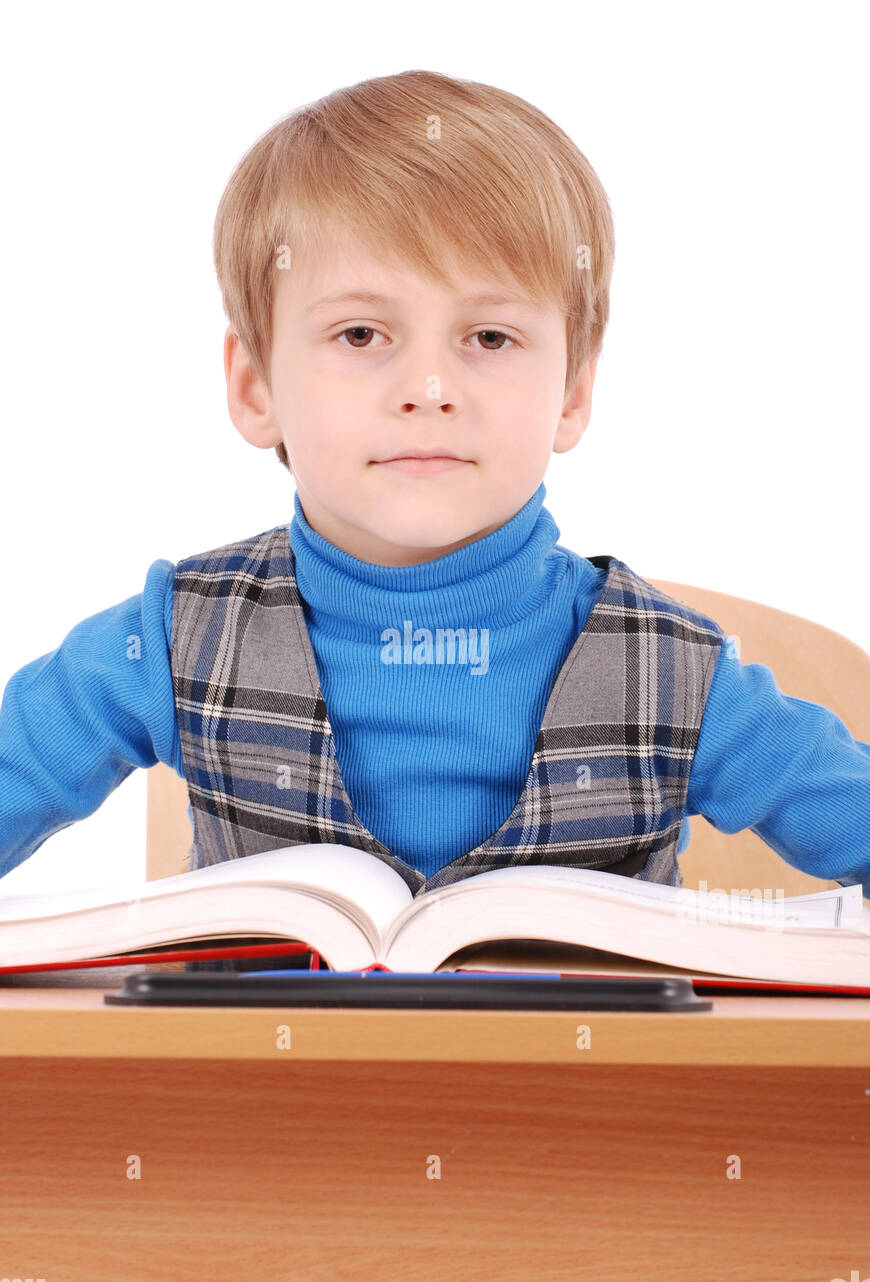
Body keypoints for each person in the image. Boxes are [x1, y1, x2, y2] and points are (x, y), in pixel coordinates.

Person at [1, 69, 868, 900]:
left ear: (571, 393)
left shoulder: (681, 679)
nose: (428, 386)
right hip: (271, 1062)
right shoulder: (166, 641)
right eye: (361, 334)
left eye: (489, 338)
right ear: (255, 386)